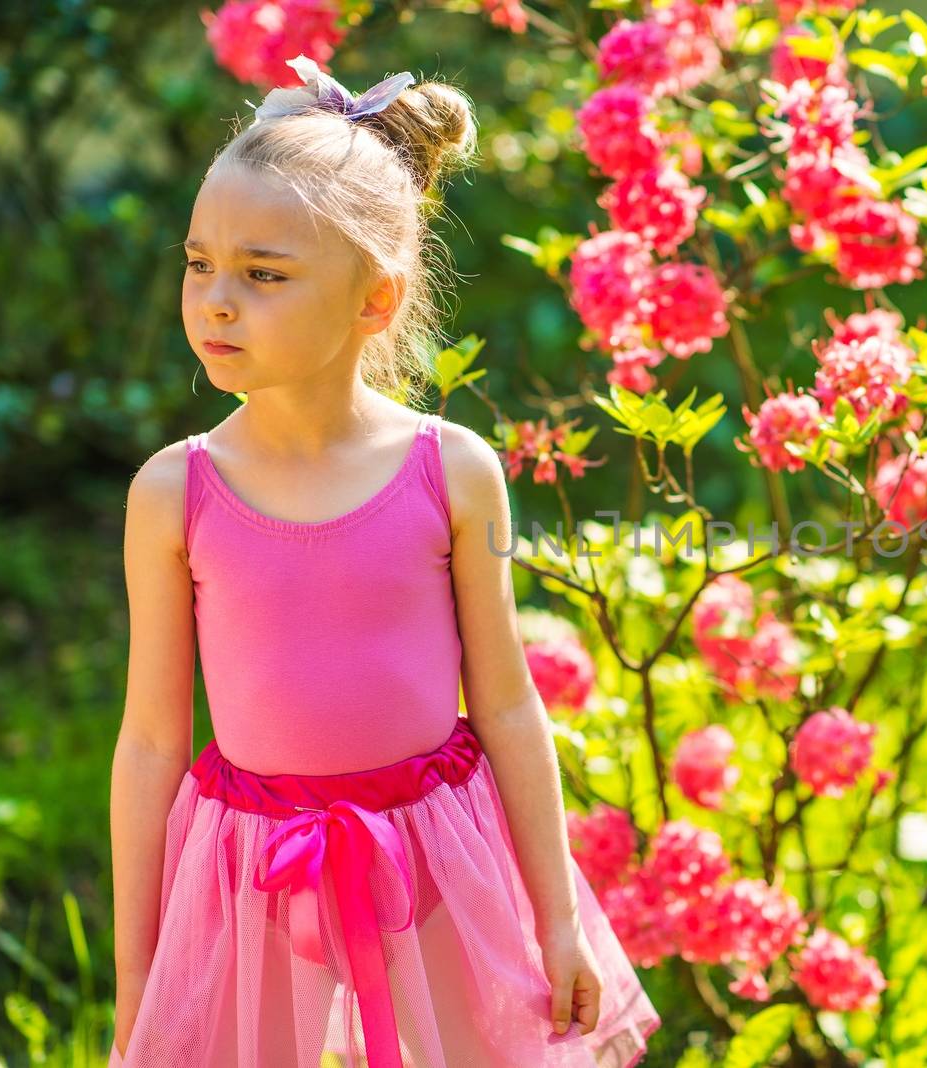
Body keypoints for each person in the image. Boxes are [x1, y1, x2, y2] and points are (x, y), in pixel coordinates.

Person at [109, 55, 661, 1067]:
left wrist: (557, 919)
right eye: (199, 263)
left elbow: (504, 703)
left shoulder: (449, 471)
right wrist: (139, 975)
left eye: (263, 273)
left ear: (374, 299)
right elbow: (151, 741)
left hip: (439, 848)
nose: (216, 301)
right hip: (251, 863)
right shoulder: (173, 494)